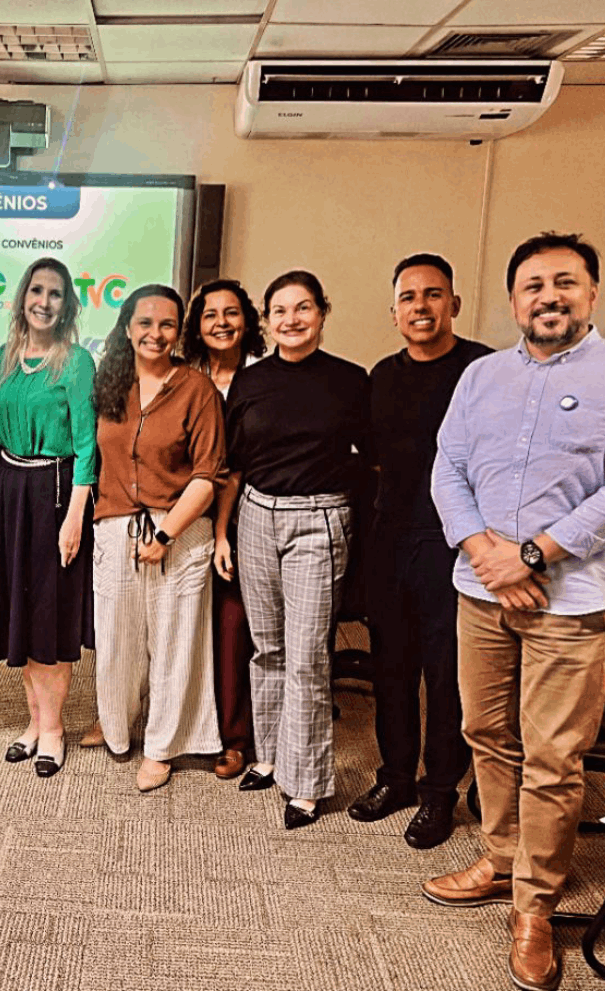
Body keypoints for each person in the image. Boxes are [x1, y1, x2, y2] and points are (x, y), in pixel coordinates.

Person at [428, 232, 605, 991]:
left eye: (565, 282)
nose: (548, 296)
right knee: (485, 732)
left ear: (592, 293)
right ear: (513, 301)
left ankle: (537, 903)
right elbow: (449, 468)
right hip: (480, 591)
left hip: (569, 602)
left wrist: (530, 553)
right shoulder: (480, 376)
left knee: (554, 756)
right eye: (533, 285)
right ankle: (505, 858)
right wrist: (483, 551)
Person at [346, 254, 492, 848]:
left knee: (446, 673)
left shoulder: (485, 369)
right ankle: (397, 778)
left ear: (454, 304)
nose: (421, 307)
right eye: (409, 297)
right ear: (394, 311)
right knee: (392, 667)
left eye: (434, 295)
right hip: (390, 536)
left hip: (454, 541)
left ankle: (439, 794)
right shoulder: (380, 375)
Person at [218, 270, 370, 829]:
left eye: (302, 308)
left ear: (322, 313)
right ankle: (270, 756)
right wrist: (223, 532)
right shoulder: (251, 381)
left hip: (319, 519)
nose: (291, 320)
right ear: (268, 319)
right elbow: (235, 464)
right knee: (268, 649)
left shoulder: (351, 380)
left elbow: (371, 457)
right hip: (256, 516)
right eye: (280, 310)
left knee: (307, 657)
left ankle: (305, 784)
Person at [90, 284, 226, 793]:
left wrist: (165, 533)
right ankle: (118, 726)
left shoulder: (197, 389)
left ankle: (163, 746)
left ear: (179, 331)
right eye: (145, 322)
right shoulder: (109, 384)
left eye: (167, 324)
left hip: (181, 530)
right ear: (127, 328)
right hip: (116, 527)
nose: (156, 333)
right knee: (117, 637)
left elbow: (207, 474)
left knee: (174, 642)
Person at [0, 258, 96, 778]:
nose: (44, 301)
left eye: (56, 293)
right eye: (36, 291)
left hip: (56, 494)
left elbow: (87, 446)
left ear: (68, 304)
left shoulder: (78, 362)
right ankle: (32, 721)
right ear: (22, 298)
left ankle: (54, 729)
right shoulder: (6, 355)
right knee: (20, 613)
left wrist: (74, 519)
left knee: (49, 616)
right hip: (9, 494)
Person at [181, 278, 266, 780]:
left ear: (247, 320)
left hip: (245, 516)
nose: (221, 323)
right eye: (210, 314)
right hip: (185, 515)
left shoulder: (264, 376)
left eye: (231, 313)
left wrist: (224, 530)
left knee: (233, 627)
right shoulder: (183, 376)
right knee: (184, 626)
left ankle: (235, 738)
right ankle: (185, 724)